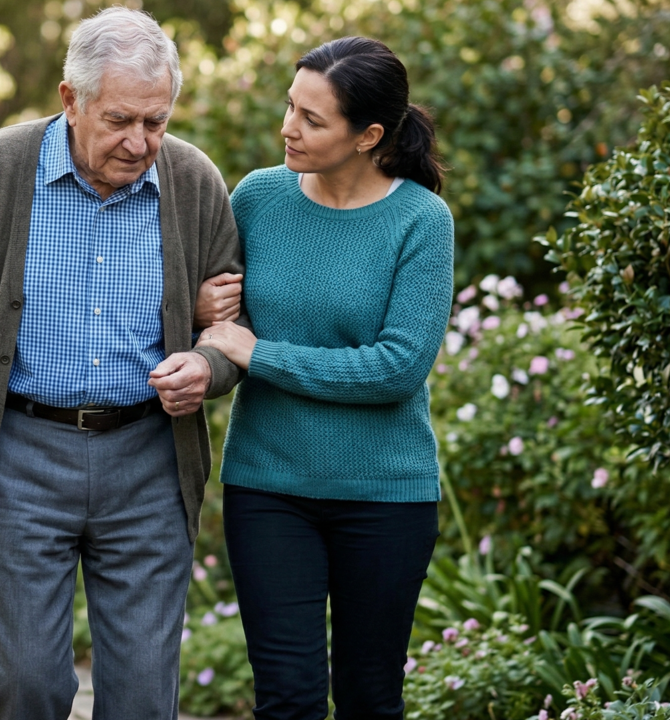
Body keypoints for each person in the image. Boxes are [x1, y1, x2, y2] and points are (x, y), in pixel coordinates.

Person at [0, 8, 250, 719]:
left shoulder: (194, 181)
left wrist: (210, 365)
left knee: (145, 697)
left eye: (156, 121)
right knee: (23, 686)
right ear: (69, 100)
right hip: (21, 454)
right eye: (120, 120)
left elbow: (232, 326)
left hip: (149, 459)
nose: (140, 141)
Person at [194, 36, 454, 720]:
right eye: (290, 107)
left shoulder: (421, 221)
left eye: (313, 119)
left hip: (386, 497)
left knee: (370, 698)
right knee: (287, 700)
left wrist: (263, 355)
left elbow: (398, 368)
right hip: (268, 488)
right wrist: (204, 312)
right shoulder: (257, 198)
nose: (288, 127)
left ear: (369, 135)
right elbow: (224, 320)